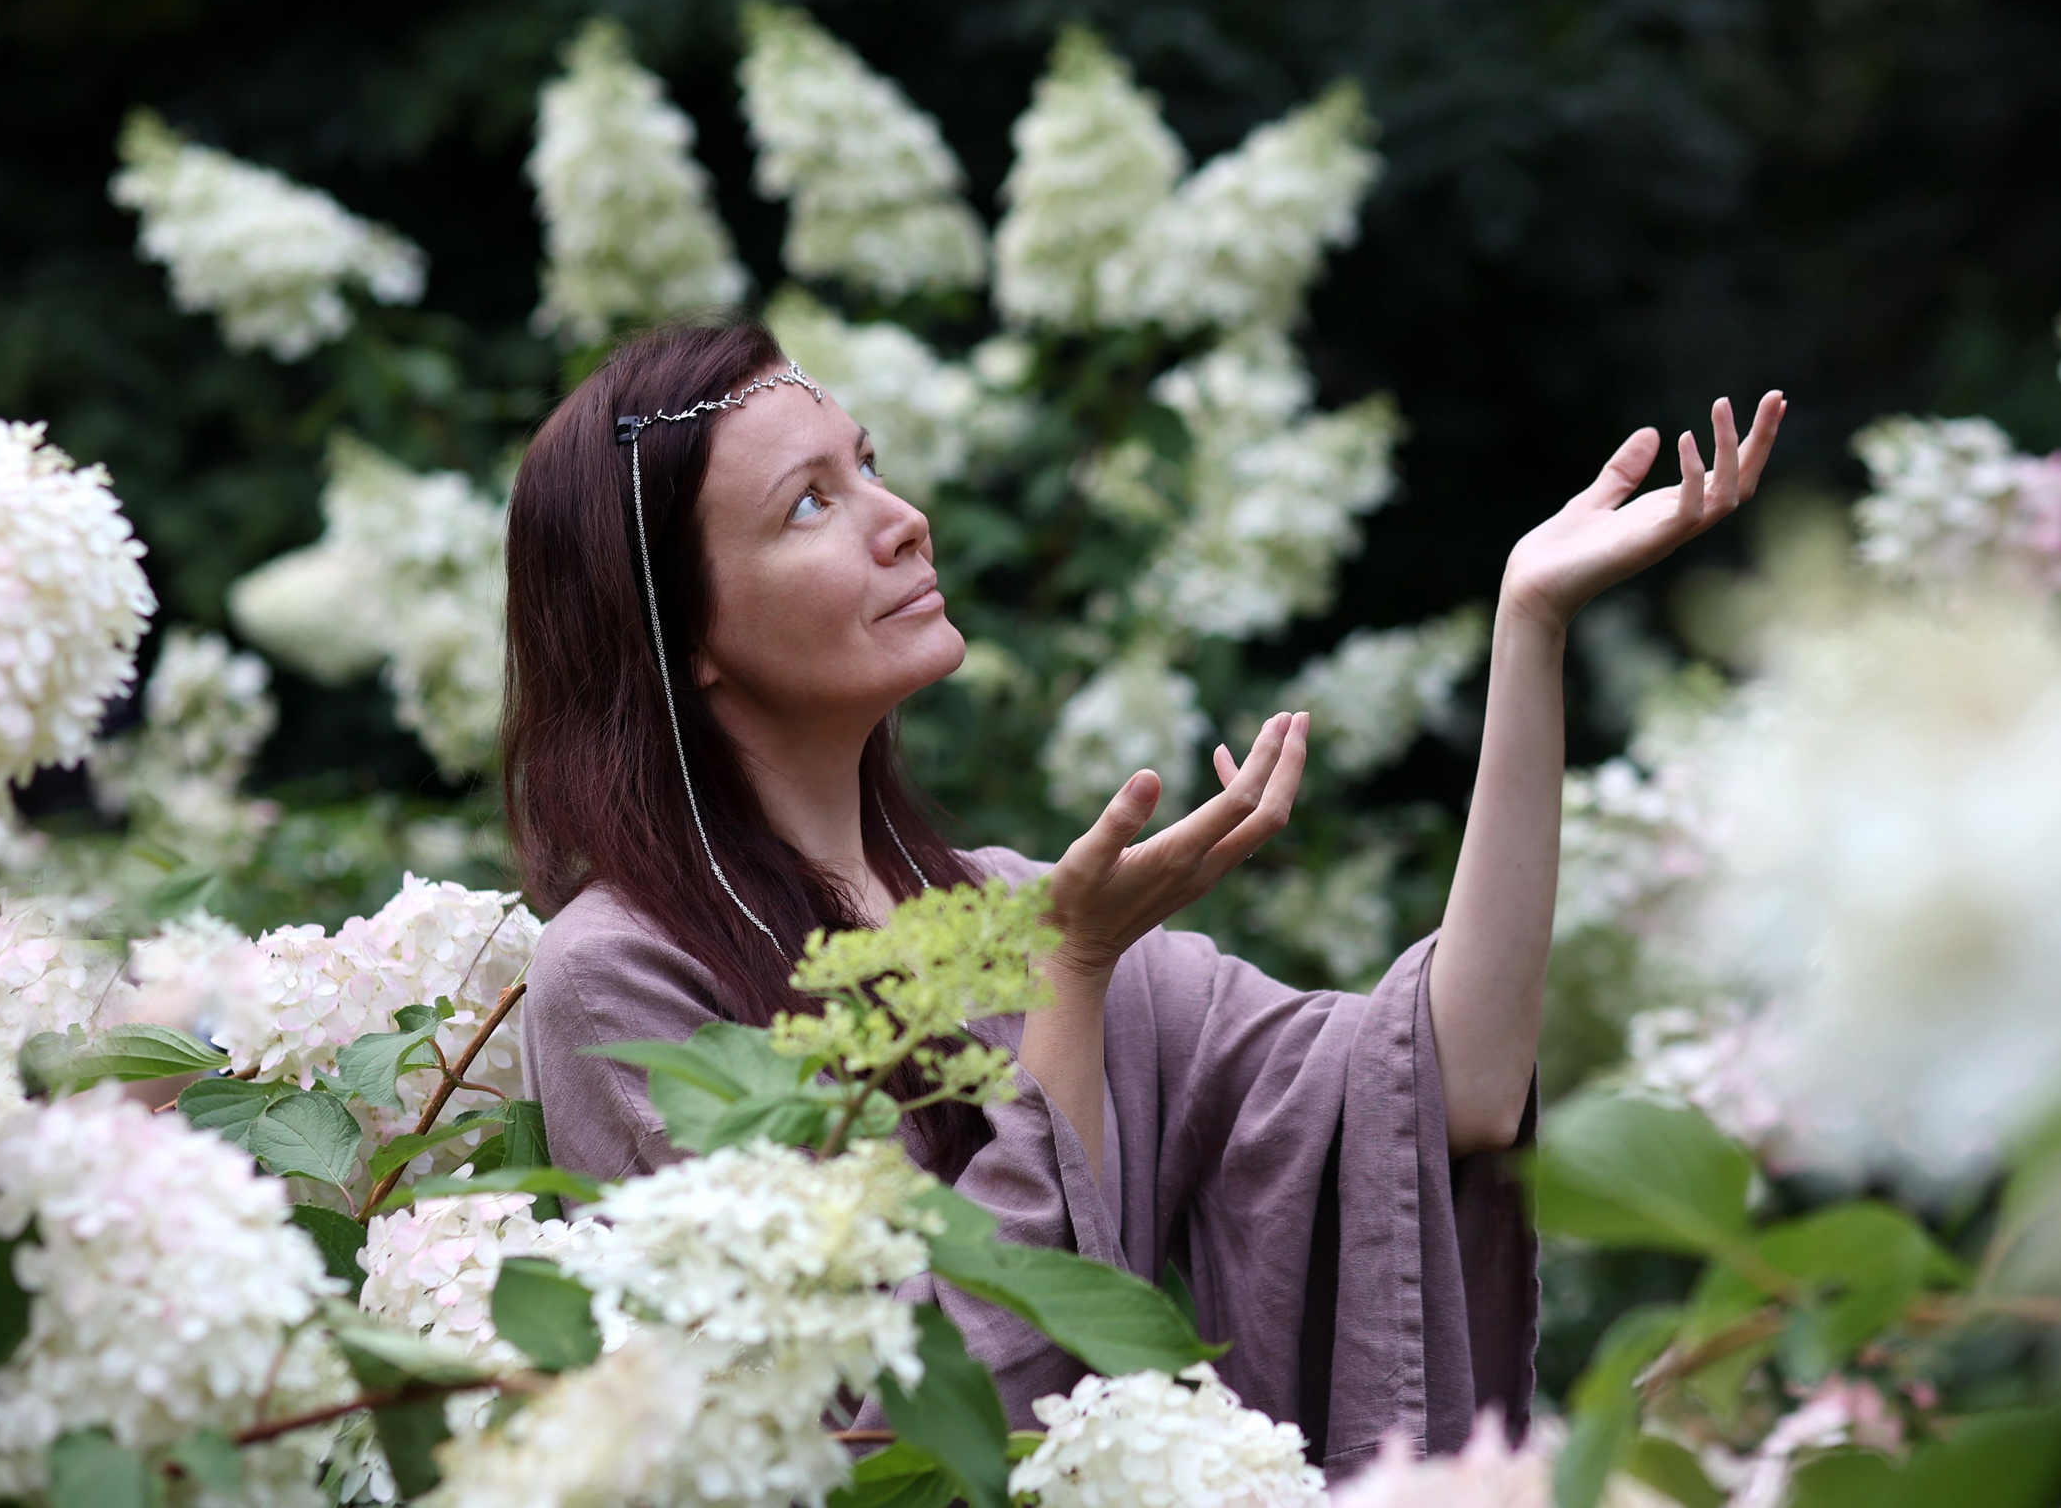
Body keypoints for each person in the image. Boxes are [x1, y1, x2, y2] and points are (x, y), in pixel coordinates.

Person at [505, 314, 1782, 1472]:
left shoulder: (1013, 906)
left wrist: (1529, 628)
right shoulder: (618, 973)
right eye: (807, 506)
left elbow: (1449, 1082)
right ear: (686, 642)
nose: (899, 518)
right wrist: (1067, 974)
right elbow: (885, 1434)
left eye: (872, 464)